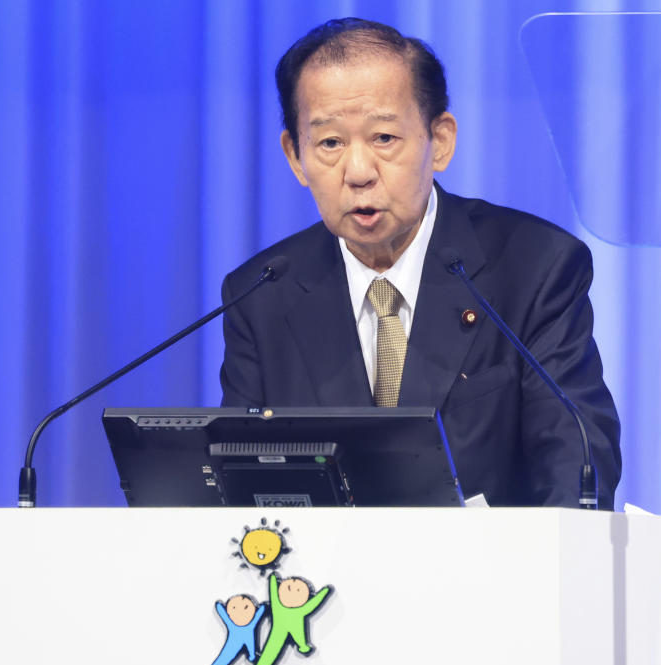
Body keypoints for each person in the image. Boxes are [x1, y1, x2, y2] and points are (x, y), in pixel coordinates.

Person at [219, 18, 621, 509]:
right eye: (330, 143)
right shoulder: (262, 293)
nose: (359, 172)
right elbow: (239, 485)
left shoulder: (535, 266)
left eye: (384, 138)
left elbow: (576, 462)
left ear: (441, 141)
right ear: (295, 157)